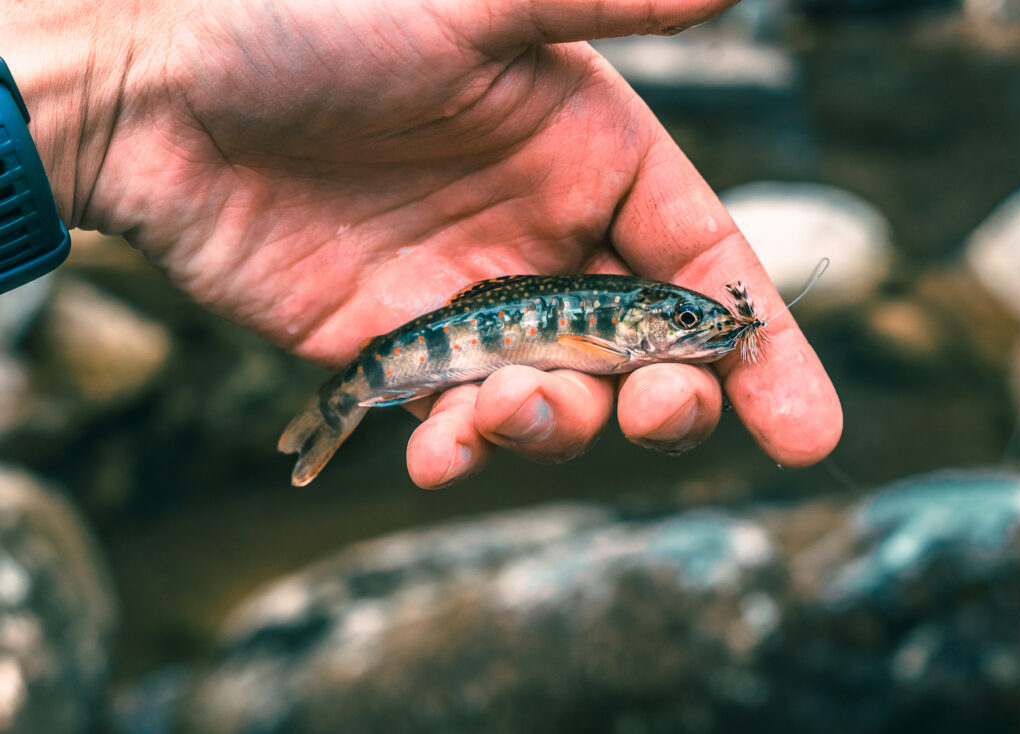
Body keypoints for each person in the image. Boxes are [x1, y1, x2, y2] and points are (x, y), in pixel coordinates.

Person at [3, 0, 841, 488]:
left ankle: (343, 403)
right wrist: (113, 92)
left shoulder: (623, 327)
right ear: (639, 330)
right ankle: (343, 404)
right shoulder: (611, 333)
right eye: (686, 324)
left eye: (694, 326)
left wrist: (108, 97)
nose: (702, 331)